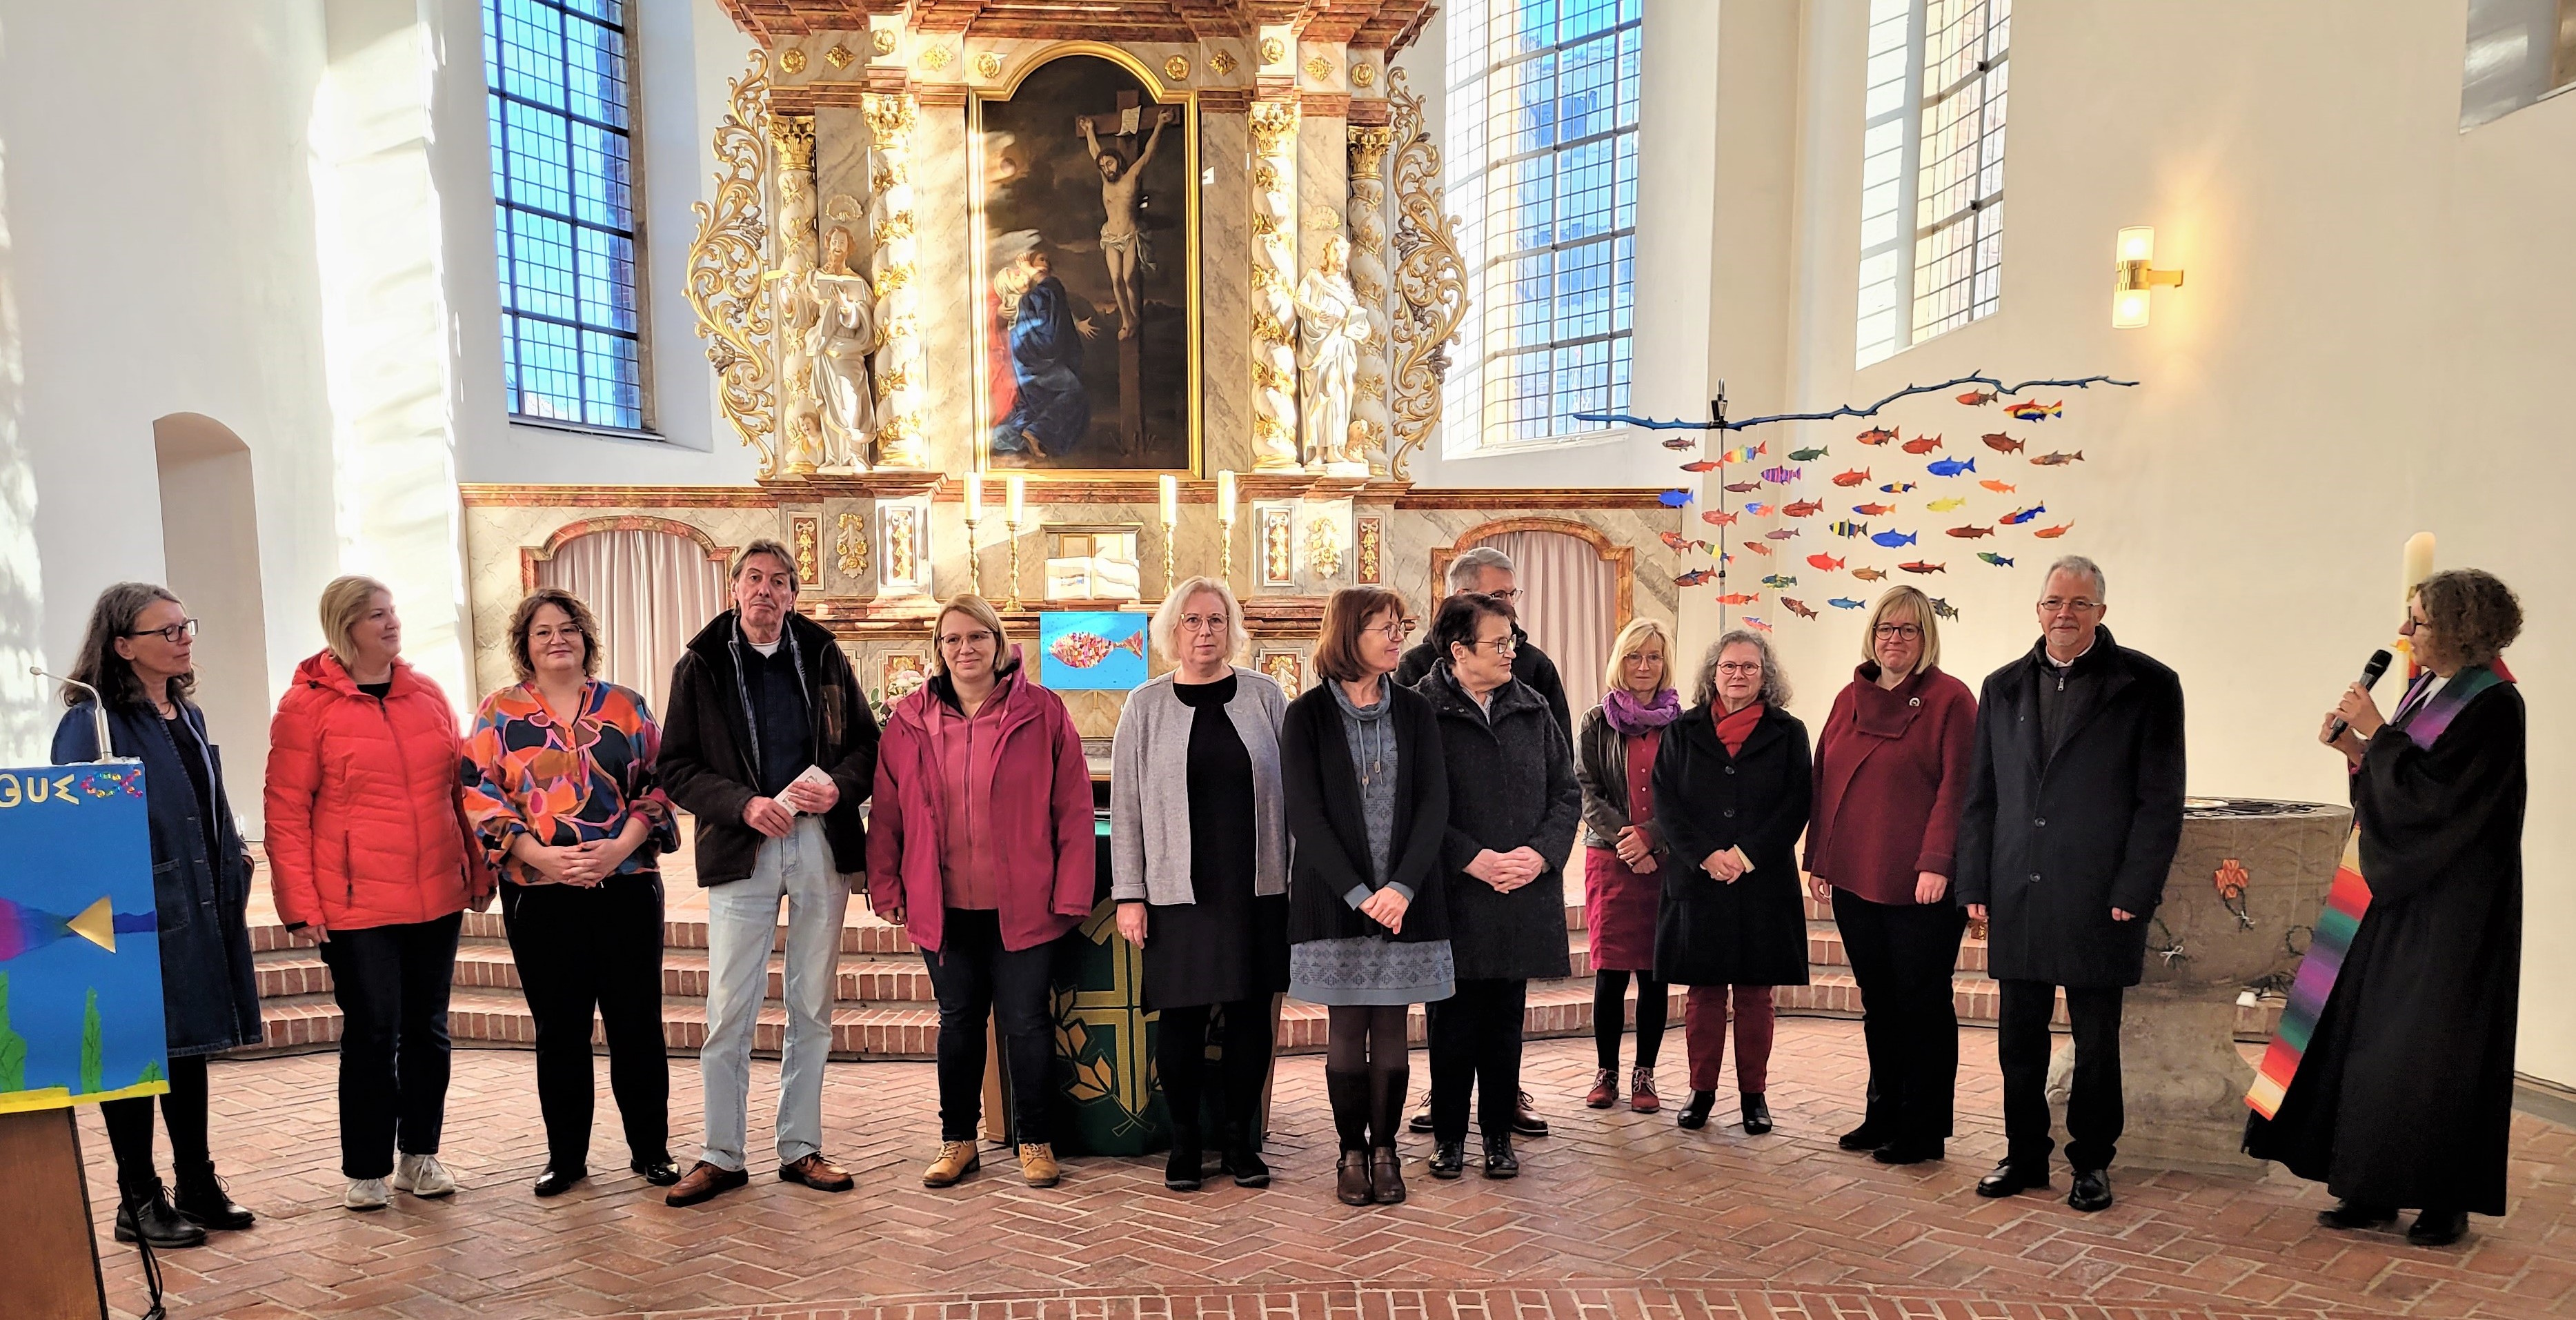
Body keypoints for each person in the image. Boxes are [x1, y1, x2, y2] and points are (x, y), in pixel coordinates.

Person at [2245, 569, 2526, 1248]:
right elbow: (2399, 787)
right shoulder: (2427, 689)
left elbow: (2442, 805)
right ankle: (2367, 1185)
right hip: (2387, 892)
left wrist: (2379, 733)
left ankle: (2443, 1197)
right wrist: (2357, 749)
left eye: (2418, 621)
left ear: (2458, 628)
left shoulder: (2493, 704)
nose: (2403, 632)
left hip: (2451, 908)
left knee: (2431, 1049)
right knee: (2368, 1040)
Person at [1956, 555, 2185, 1214]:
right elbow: (1982, 795)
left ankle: (2092, 1160)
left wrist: (2135, 889)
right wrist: (1975, 878)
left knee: (2096, 1039)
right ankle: (2025, 1153)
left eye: (2080, 603)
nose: (2066, 613)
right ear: (2038, 610)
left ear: (2101, 612)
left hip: (2100, 894)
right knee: (2018, 1038)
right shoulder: (2002, 686)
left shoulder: (2148, 684)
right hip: (2019, 887)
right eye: (2055, 601)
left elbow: (2159, 802)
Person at [658, 540, 880, 1207]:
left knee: (811, 1001)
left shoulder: (824, 655)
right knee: (730, 1004)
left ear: (792, 594)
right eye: (754, 578)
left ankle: (800, 1145)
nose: (766, 590)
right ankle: (721, 1153)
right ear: (734, 588)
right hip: (743, 844)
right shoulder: (701, 663)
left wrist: (838, 787)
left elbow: (868, 745)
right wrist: (743, 805)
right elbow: (676, 767)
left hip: (817, 841)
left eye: (779, 581)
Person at [265, 576, 491, 1211]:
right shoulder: (306, 706)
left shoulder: (427, 694)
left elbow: (459, 792)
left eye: (392, 612)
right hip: (355, 902)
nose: (391, 624)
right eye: (374, 616)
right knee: (372, 1030)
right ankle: (366, 1167)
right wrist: (299, 904)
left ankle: (420, 1154)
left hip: (436, 893)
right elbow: (285, 811)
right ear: (345, 627)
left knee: (429, 1029)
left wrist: (477, 870)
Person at [52, 584, 262, 1248]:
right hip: (134, 914)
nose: (183, 638)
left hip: (199, 902)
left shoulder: (185, 712)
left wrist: (235, 862)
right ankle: (137, 1199)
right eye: (166, 630)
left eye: (184, 625)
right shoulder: (92, 722)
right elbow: (76, 826)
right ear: (122, 646)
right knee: (135, 1049)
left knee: (188, 1046)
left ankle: (197, 1182)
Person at [869, 594, 1095, 1190]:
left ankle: (1036, 1140)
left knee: (1027, 1022)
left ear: (998, 644)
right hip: (943, 904)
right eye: (952, 639)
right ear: (938, 650)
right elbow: (888, 812)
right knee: (959, 1022)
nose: (964, 648)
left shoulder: (1042, 711)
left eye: (976, 637)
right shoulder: (909, 720)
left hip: (1025, 902)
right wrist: (886, 885)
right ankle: (958, 1140)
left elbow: (1073, 806)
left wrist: (1072, 890)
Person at [462, 588, 681, 1198]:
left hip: (626, 884)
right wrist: (540, 856)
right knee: (559, 1028)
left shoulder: (626, 706)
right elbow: (478, 792)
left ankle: (651, 1149)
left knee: (636, 1023)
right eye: (543, 631)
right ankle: (566, 1157)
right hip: (540, 892)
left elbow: (661, 783)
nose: (557, 639)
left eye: (568, 628)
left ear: (585, 637)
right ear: (524, 645)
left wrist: (619, 846)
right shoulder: (498, 713)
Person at [1109, 577, 1292, 1192]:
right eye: (1192, 620)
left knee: (1249, 1016)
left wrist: (1296, 881)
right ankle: (1185, 1142)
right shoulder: (1145, 705)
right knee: (1182, 1019)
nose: (1205, 632)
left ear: (1231, 628)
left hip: (1255, 886)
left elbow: (1294, 795)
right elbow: (1127, 806)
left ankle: (1241, 1140)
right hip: (1175, 891)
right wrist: (1129, 893)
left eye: (1216, 619)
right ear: (1173, 630)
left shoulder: (1266, 697)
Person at [1282, 587, 1452, 1206]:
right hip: (1336, 899)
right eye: (1385, 627)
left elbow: (1434, 804)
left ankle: (1386, 1151)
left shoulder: (1415, 710)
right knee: (1347, 1027)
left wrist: (1401, 887)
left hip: (1407, 897)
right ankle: (1350, 1152)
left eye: (1400, 626)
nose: (1397, 637)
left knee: (1393, 1027)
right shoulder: (1306, 715)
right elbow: (1306, 815)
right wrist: (1359, 894)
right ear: (1349, 635)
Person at [1394, 545, 1567, 1140]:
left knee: (1505, 1017)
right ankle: (1448, 1130)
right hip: (1454, 887)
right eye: (1498, 604)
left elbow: (1563, 785)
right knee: (1451, 1017)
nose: (1511, 641)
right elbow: (1408, 800)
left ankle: (1498, 1128)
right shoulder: (1417, 695)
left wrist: (1539, 854)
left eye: (1512, 602)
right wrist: (1469, 857)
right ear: (1460, 645)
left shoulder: (1533, 690)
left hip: (1519, 885)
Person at [1803, 587, 1976, 1164]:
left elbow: (1959, 788)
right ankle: (1883, 1113)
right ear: (1872, 635)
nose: (1894, 639)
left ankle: (1922, 1129)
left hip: (1921, 883)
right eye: (1885, 628)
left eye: (1907, 629)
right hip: (1856, 875)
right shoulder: (1848, 697)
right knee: (1879, 1001)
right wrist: (1820, 856)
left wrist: (1938, 862)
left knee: (1922, 1004)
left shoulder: (1952, 700)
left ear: (1926, 637)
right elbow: (1824, 776)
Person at [1652, 631, 1812, 1136]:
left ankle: (1753, 1096)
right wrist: (1705, 854)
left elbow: (1797, 803)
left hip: (1761, 882)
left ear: (1766, 675)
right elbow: (1666, 801)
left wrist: (1745, 855)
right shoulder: (1682, 730)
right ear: (1713, 673)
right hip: (1698, 880)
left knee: (1755, 993)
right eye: (1729, 666)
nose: (1738, 674)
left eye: (1749, 667)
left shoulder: (1789, 732)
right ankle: (1700, 1091)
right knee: (1703, 991)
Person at [1572, 618, 1678, 1114]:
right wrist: (1628, 841)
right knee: (1611, 973)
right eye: (1634, 656)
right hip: (1611, 858)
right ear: (1621, 660)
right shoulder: (1597, 720)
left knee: (1654, 973)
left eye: (1653, 656)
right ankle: (1607, 1071)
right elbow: (1586, 790)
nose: (1644, 665)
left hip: (1663, 860)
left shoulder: (1680, 724)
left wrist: (1651, 837)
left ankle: (1645, 1074)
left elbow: (1686, 795)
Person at [989, 249, 1091, 459]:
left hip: (1033, 366)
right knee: (1075, 394)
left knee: (1034, 409)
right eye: (1017, 274)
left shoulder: (1030, 301)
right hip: (1036, 366)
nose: (1024, 273)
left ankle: (1009, 436)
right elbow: (1053, 292)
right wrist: (1032, 271)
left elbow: (1058, 317)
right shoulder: (1030, 300)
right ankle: (1035, 433)